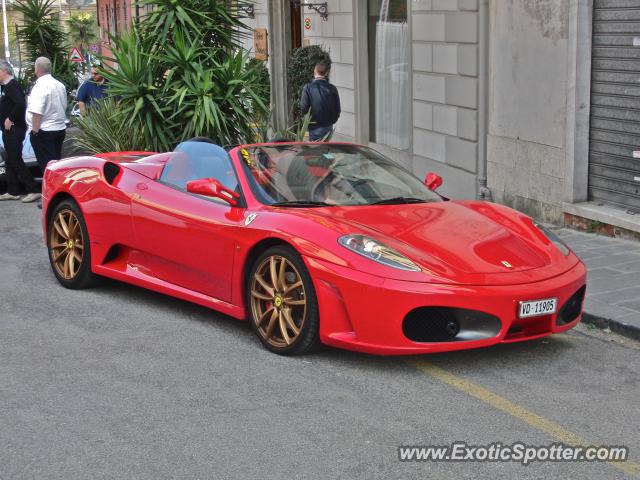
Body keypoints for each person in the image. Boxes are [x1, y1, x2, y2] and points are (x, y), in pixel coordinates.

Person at [26, 56, 68, 205]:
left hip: (44, 131)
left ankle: (50, 200)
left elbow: (37, 111)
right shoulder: (59, 85)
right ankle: (57, 197)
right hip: (59, 128)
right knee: (56, 165)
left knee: (47, 168)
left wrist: (35, 131)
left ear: (37, 69)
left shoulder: (40, 86)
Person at [0, 61, 40, 202]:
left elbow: (21, 103)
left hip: (15, 128)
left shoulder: (12, 85)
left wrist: (10, 118)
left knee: (15, 159)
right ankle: (13, 190)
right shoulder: (5, 87)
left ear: (4, 71)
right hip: (8, 129)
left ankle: (33, 189)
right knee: (10, 160)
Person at [299, 61, 341, 142]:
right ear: (326, 73)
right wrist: (332, 121)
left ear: (314, 71)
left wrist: (308, 122)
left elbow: (303, 108)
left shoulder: (307, 87)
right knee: (326, 151)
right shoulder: (333, 88)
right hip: (328, 126)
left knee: (316, 152)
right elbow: (338, 109)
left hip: (314, 127)